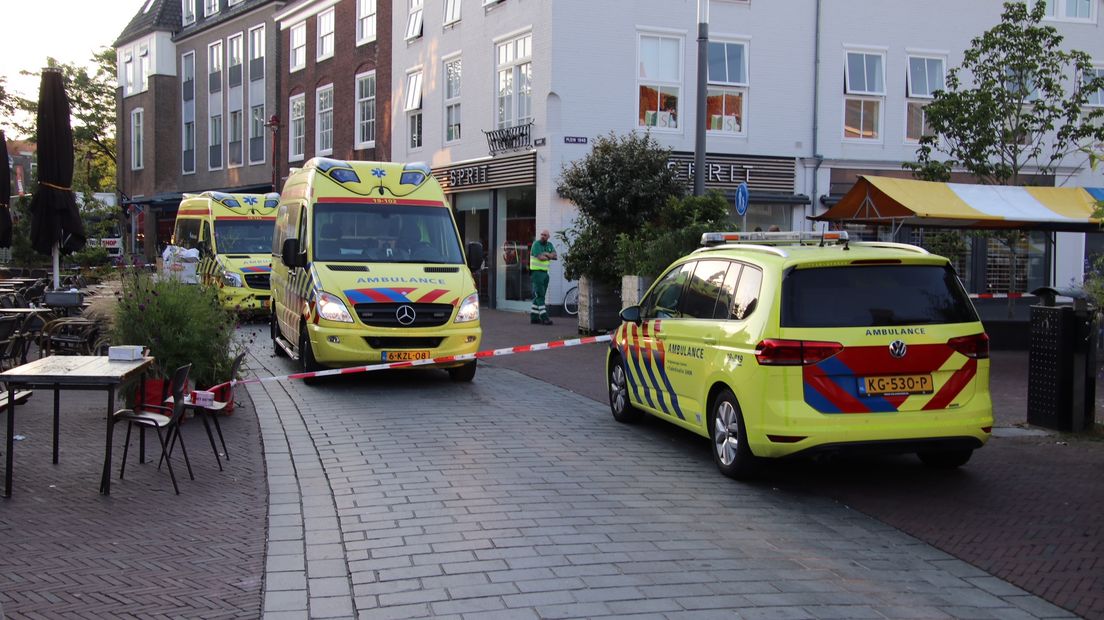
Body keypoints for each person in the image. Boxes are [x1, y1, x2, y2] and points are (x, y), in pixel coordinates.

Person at [529, 229, 557, 325]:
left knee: (540, 295)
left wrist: (546, 254)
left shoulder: (549, 245)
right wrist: (549, 255)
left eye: (545, 235)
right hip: (536, 273)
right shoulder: (536, 244)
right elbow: (540, 257)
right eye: (541, 234)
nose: (542, 236)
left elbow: (555, 256)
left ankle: (534, 317)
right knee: (540, 295)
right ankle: (544, 317)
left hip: (545, 273)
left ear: (548, 237)